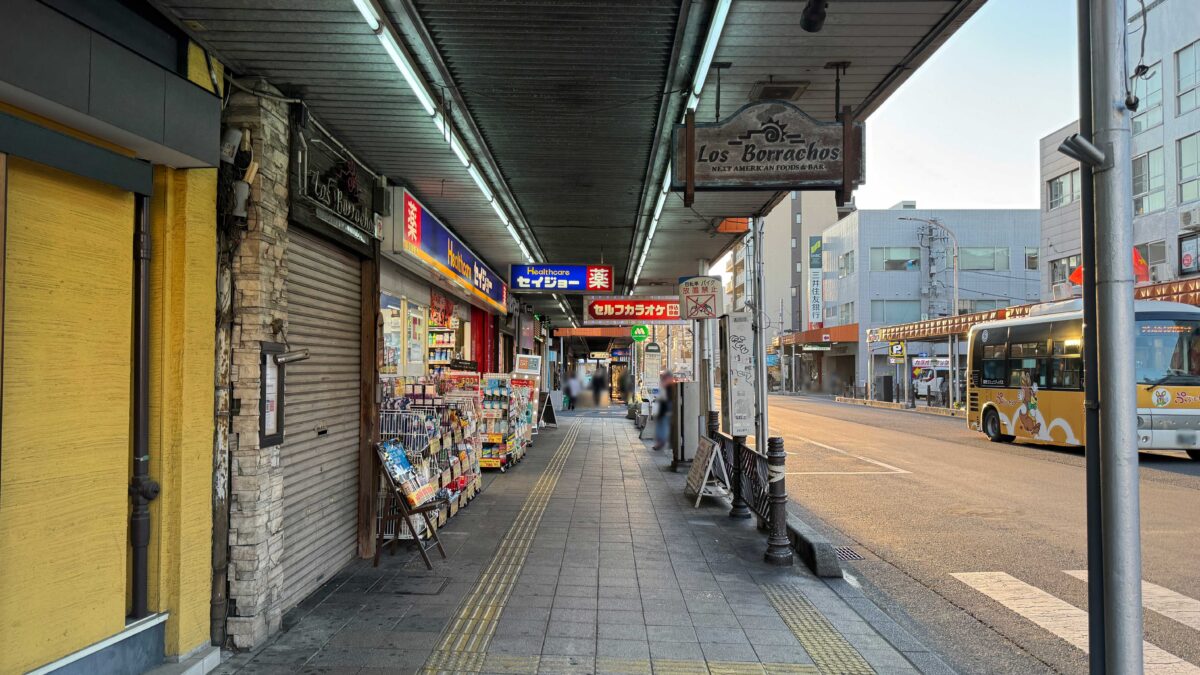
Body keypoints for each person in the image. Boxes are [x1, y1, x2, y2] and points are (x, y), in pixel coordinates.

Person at [652, 370, 675, 451]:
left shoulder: (671, 387)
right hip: (662, 409)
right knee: (660, 426)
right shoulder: (665, 386)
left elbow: (669, 400)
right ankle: (660, 442)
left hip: (666, 410)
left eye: (665, 378)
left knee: (664, 426)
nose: (664, 380)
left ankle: (661, 443)